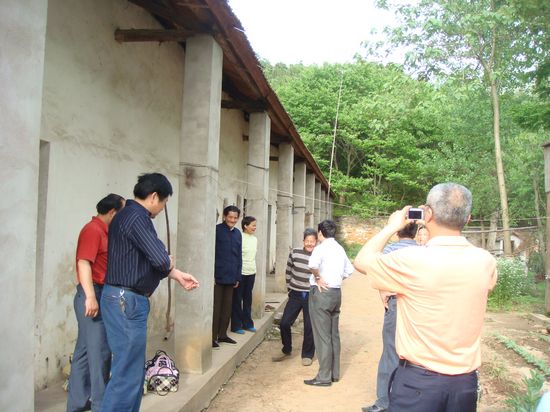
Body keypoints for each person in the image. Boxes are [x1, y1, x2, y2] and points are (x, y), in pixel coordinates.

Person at [354, 183, 497, 412]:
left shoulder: (410, 260)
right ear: (468, 218)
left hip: (419, 383)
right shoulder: (486, 261)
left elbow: (362, 260)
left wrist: (391, 227)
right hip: (465, 384)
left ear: (427, 214)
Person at [101, 173, 199, 412]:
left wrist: (176, 273)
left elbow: (150, 261)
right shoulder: (137, 217)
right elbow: (160, 259)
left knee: (133, 372)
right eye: (164, 203)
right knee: (127, 373)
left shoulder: (126, 215)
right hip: (127, 301)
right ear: (154, 196)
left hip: (124, 299)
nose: (162, 208)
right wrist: (167, 261)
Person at [67, 194, 124, 412]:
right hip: (92, 293)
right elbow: (84, 263)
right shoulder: (93, 230)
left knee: (83, 353)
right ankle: (101, 405)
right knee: (100, 352)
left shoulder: (105, 231)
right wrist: (90, 297)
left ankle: (78, 403)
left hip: (97, 292)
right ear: (112, 212)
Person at [361, 222, 418, 412]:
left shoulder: (390, 252)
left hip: (396, 303)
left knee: (391, 351)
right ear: (416, 231)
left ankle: (384, 401)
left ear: (397, 232)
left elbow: (363, 262)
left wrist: (382, 289)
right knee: (416, 353)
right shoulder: (424, 251)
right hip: (419, 306)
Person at [304, 220, 354, 386]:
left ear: (320, 233)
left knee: (322, 336)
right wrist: (336, 280)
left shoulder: (320, 248)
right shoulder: (340, 248)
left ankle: (324, 376)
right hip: (336, 293)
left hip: (321, 293)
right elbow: (349, 270)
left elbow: (312, 265)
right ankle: (334, 373)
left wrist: (318, 278)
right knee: (333, 335)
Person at [272, 228, 318, 366]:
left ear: (316, 242)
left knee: (309, 326)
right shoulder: (295, 252)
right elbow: (288, 270)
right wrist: (289, 287)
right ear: (303, 241)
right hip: (295, 294)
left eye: (312, 241)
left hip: (311, 295)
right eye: (307, 241)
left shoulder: (319, 255)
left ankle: (307, 355)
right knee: (285, 323)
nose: (309, 243)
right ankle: (286, 349)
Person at [212, 205, 242, 348]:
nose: (232, 220)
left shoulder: (238, 234)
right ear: (224, 216)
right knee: (216, 308)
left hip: (231, 277)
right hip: (217, 276)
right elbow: (211, 253)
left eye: (235, 218)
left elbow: (239, 256)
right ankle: (212, 337)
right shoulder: (216, 231)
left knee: (227, 307)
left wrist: (238, 276)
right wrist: (211, 275)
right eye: (230, 217)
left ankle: (223, 335)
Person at [231, 215, 258, 334]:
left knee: (248, 299)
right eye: (253, 225)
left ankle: (248, 323)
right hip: (241, 272)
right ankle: (236, 325)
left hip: (251, 272)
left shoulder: (255, 239)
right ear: (245, 226)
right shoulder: (239, 237)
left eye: (255, 225)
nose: (255, 227)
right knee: (237, 299)